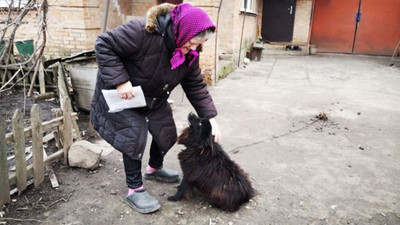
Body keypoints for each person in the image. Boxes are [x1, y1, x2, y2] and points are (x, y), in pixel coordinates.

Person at [90, 3, 221, 214]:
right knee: (133, 135)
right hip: (124, 94)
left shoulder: (189, 54)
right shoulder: (141, 32)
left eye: (201, 44)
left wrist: (210, 119)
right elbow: (104, 44)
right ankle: (134, 189)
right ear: (182, 31)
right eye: (192, 43)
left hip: (153, 96)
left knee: (166, 132)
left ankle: (154, 168)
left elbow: (195, 86)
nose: (195, 49)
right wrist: (121, 82)